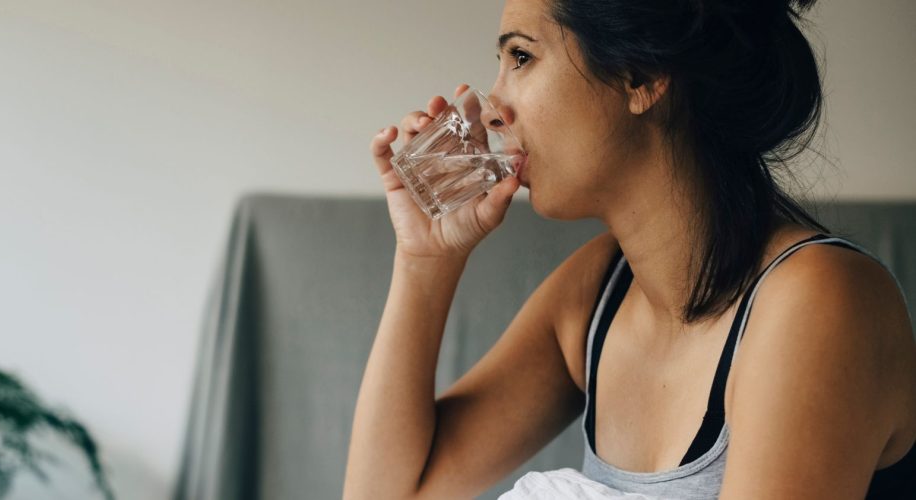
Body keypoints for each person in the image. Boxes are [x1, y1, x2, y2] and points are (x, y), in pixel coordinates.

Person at [344, 0, 916, 498]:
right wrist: (425, 261)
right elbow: (395, 492)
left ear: (639, 75)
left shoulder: (819, 302)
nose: (491, 107)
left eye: (521, 57)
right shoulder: (597, 292)